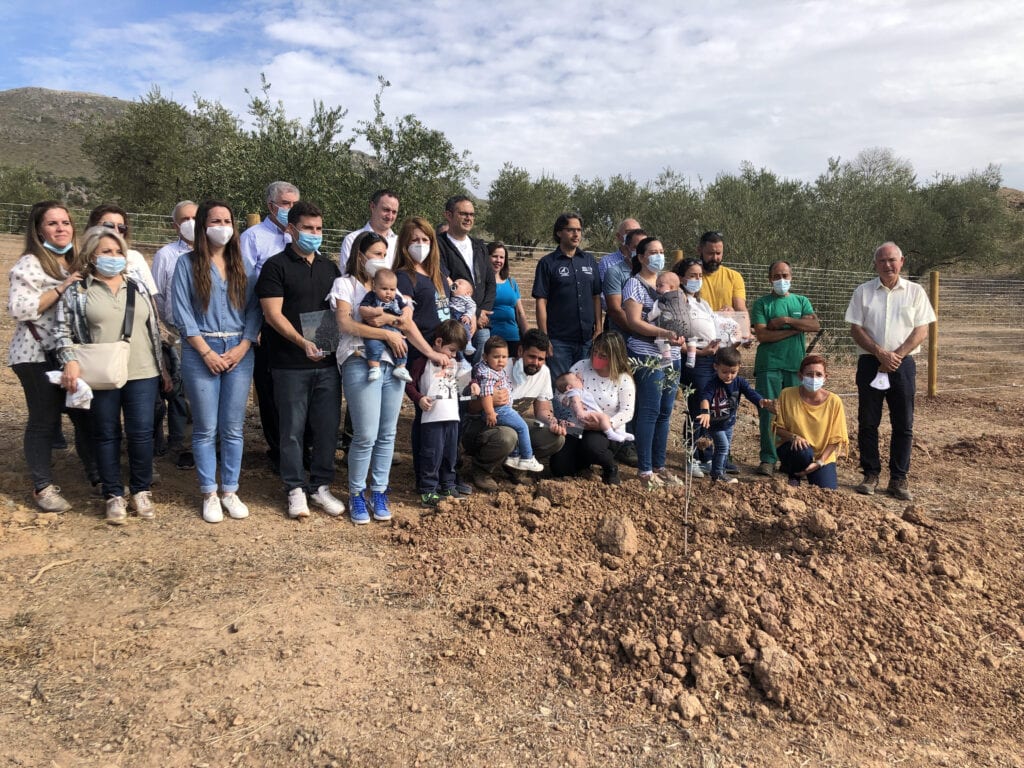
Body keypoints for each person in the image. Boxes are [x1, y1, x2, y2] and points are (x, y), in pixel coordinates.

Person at [331, 230, 449, 524]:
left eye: (384, 254)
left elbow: (408, 326)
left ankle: (379, 490)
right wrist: (385, 329)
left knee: (387, 434)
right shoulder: (345, 284)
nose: (381, 259)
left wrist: (430, 353)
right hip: (360, 360)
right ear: (360, 255)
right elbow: (345, 324)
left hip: (393, 367)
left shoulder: (392, 289)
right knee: (366, 434)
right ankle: (357, 493)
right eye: (376, 254)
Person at [56, 226, 168, 524]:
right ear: (91, 255)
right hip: (101, 373)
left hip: (143, 371)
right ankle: (114, 494)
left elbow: (153, 329)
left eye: (118, 251)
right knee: (106, 433)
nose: (114, 257)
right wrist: (69, 360)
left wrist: (164, 368)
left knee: (142, 433)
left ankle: (141, 490)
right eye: (107, 252)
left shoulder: (137, 287)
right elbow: (62, 332)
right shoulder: (79, 291)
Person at [171, 200, 262, 524]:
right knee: (206, 428)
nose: (222, 226)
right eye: (215, 220)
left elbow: (254, 309)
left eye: (227, 220)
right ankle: (209, 491)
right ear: (202, 227)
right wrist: (206, 352)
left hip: (239, 348)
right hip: (201, 350)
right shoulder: (186, 264)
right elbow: (181, 312)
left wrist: (243, 345)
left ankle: (230, 490)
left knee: (233, 428)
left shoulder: (243, 265)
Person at [256, 201, 345, 520]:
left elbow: (336, 311)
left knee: (325, 428)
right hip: (289, 363)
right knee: (291, 429)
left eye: (319, 229)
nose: (314, 234)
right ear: (291, 230)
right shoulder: (275, 266)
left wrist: (325, 344)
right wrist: (301, 341)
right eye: (308, 228)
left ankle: (320, 486)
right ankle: (294, 488)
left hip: (325, 362)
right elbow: (272, 313)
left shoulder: (329, 267)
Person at [7, 201, 97, 511]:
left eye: (66, 223)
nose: (61, 229)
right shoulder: (30, 264)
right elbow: (20, 309)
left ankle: (96, 475)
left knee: (83, 413)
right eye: (53, 223)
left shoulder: (72, 262)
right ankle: (42, 487)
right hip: (35, 354)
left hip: (66, 353)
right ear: (38, 229)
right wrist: (62, 288)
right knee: (44, 419)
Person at [845, 242, 936, 501]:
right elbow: (855, 329)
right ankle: (871, 474)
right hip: (870, 362)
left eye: (892, 260)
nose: (887, 265)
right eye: (882, 261)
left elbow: (921, 329)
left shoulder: (916, 292)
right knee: (868, 421)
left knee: (903, 423)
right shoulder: (863, 292)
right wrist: (879, 353)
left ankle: (898, 478)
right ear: (875, 264)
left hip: (903, 365)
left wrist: (896, 356)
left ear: (902, 261)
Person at [240, 181, 301, 472]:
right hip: (266, 326)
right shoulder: (253, 238)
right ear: (271, 206)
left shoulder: (302, 236)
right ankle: (277, 451)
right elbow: (246, 288)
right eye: (285, 204)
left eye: (294, 204)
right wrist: (254, 328)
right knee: (270, 391)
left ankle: (303, 449)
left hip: (299, 328)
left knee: (299, 392)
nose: (290, 209)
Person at [462, 328, 567, 491]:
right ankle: (482, 470)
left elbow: (542, 409)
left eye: (541, 359)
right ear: (520, 351)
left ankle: (515, 467)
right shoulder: (496, 366)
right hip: (481, 425)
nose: (536, 363)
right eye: (532, 356)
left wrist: (552, 421)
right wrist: (489, 401)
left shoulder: (544, 373)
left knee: (555, 438)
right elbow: (467, 408)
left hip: (509, 421)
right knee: (507, 436)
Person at [621, 237, 686, 489]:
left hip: (674, 357)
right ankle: (645, 469)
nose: (658, 256)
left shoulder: (673, 287)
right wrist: (664, 334)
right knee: (649, 410)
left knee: (665, 412)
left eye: (661, 251)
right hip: (647, 356)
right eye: (652, 252)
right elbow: (634, 321)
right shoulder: (634, 285)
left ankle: (660, 465)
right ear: (640, 257)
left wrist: (681, 335)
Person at [750, 260, 820, 476]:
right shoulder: (762, 304)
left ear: (792, 277)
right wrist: (794, 330)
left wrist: (785, 320)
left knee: (794, 414)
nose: (782, 280)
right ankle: (768, 459)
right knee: (768, 411)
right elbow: (762, 335)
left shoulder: (801, 301)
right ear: (770, 279)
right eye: (777, 276)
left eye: (786, 275)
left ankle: (790, 458)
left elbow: (815, 325)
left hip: (795, 365)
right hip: (769, 365)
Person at [549, 332, 635, 485]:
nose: (596, 358)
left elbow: (627, 411)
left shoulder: (623, 379)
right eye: (595, 352)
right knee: (559, 466)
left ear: (614, 357)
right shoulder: (581, 367)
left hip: (605, 429)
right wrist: (571, 402)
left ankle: (610, 468)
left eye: (602, 356)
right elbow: (560, 392)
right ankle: (583, 465)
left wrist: (606, 423)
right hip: (578, 424)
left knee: (592, 446)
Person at [405, 320, 471, 506]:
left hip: (452, 417)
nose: (453, 355)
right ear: (439, 342)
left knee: (450, 452)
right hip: (432, 418)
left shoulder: (455, 363)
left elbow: (464, 385)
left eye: (456, 351)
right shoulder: (422, 362)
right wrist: (419, 398)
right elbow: (409, 383)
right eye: (451, 350)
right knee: (431, 453)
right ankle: (427, 489)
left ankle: (448, 484)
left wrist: (472, 386)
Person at [151, 200, 197, 464]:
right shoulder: (166, 255)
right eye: (185, 219)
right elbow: (157, 296)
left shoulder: (214, 252)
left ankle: (196, 441)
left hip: (207, 332)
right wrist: (166, 333)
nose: (190, 223)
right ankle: (182, 444)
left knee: (197, 391)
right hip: (176, 332)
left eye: (195, 217)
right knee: (180, 390)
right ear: (175, 225)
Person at [533, 213, 603, 379]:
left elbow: (596, 297)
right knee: (561, 389)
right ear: (559, 233)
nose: (576, 234)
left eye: (579, 230)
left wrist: (599, 328)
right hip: (559, 341)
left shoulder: (589, 261)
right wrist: (545, 337)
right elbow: (541, 302)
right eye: (571, 230)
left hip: (586, 340)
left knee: (583, 389)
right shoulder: (547, 263)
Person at [671, 257, 722, 477]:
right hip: (695, 359)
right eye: (692, 275)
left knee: (709, 406)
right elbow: (675, 338)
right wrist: (701, 352)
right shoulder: (678, 301)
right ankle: (691, 456)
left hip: (712, 358)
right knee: (697, 407)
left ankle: (705, 455)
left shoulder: (703, 302)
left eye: (700, 276)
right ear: (681, 277)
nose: (697, 280)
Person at [695, 347, 774, 484]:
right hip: (715, 424)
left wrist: (761, 401)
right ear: (716, 367)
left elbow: (750, 393)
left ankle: (720, 471)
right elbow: (705, 398)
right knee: (723, 447)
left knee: (725, 448)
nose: (729, 375)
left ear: (739, 367)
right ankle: (718, 474)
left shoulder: (739, 382)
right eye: (724, 372)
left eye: (733, 372)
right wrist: (705, 412)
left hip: (729, 422)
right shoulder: (712, 383)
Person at [771, 354, 849, 489]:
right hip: (795, 449)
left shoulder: (834, 401)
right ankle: (794, 475)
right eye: (809, 374)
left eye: (818, 374)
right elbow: (778, 428)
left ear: (825, 377)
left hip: (822, 455)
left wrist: (820, 462)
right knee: (803, 451)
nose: (814, 378)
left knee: (827, 491)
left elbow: (836, 438)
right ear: (800, 376)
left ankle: (812, 470)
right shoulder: (787, 394)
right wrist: (794, 437)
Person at [436, 195, 495, 362]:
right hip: (455, 322)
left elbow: (490, 281)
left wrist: (482, 312)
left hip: (482, 324)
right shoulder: (439, 245)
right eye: (463, 214)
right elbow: (445, 279)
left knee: (480, 372)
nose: (469, 218)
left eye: (472, 214)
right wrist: (473, 313)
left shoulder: (479, 246)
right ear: (448, 215)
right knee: (457, 369)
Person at [475, 337, 545, 473]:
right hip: (499, 410)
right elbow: (486, 394)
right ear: (485, 357)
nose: (501, 360)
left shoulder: (494, 370)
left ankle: (513, 457)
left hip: (502, 409)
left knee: (520, 428)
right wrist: (490, 412)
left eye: (504, 357)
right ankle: (526, 458)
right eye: (496, 357)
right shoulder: (488, 374)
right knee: (522, 427)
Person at [87, 205, 159, 296]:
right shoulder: (81, 263)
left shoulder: (136, 258)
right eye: (109, 226)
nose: (116, 231)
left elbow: (150, 296)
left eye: (121, 228)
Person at [359, 268, 413, 382]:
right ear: (375, 287)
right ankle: (374, 367)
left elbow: (406, 307)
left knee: (403, 346)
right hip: (375, 331)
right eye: (384, 289)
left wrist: (404, 316)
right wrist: (373, 312)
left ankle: (401, 367)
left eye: (392, 289)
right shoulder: (371, 296)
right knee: (373, 346)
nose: (388, 292)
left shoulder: (397, 299)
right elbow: (362, 309)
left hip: (394, 330)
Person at [555, 372, 633, 443]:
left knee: (608, 418)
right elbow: (576, 401)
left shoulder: (578, 389)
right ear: (569, 387)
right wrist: (580, 412)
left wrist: (577, 378)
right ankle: (610, 433)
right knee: (604, 417)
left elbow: (579, 381)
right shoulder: (574, 392)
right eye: (576, 379)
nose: (579, 379)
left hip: (589, 413)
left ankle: (618, 431)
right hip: (585, 413)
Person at [603, 227, 648, 338]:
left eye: (644, 248)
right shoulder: (615, 272)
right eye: (636, 247)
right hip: (625, 338)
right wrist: (641, 332)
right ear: (627, 249)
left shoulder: (650, 273)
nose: (640, 251)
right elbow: (615, 310)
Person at [339, 189, 400, 268]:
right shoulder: (352, 240)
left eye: (394, 212)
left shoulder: (399, 243)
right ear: (372, 207)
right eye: (386, 210)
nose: (390, 216)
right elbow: (347, 275)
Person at [488, 241, 527, 359]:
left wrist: (527, 337)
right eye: (495, 256)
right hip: (492, 339)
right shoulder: (482, 284)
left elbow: (520, 313)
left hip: (513, 337)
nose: (498, 260)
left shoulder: (511, 282)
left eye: (502, 257)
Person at [697, 230, 746, 312]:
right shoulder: (690, 276)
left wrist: (733, 312)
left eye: (718, 253)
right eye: (710, 253)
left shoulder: (734, 276)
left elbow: (740, 308)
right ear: (699, 250)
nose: (715, 258)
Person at [448, 278, 480, 356]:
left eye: (460, 283)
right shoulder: (450, 296)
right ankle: (461, 358)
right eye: (455, 282)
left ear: (467, 293)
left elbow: (472, 307)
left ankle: (468, 342)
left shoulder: (467, 298)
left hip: (462, 316)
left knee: (465, 328)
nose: (456, 283)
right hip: (452, 316)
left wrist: (468, 316)